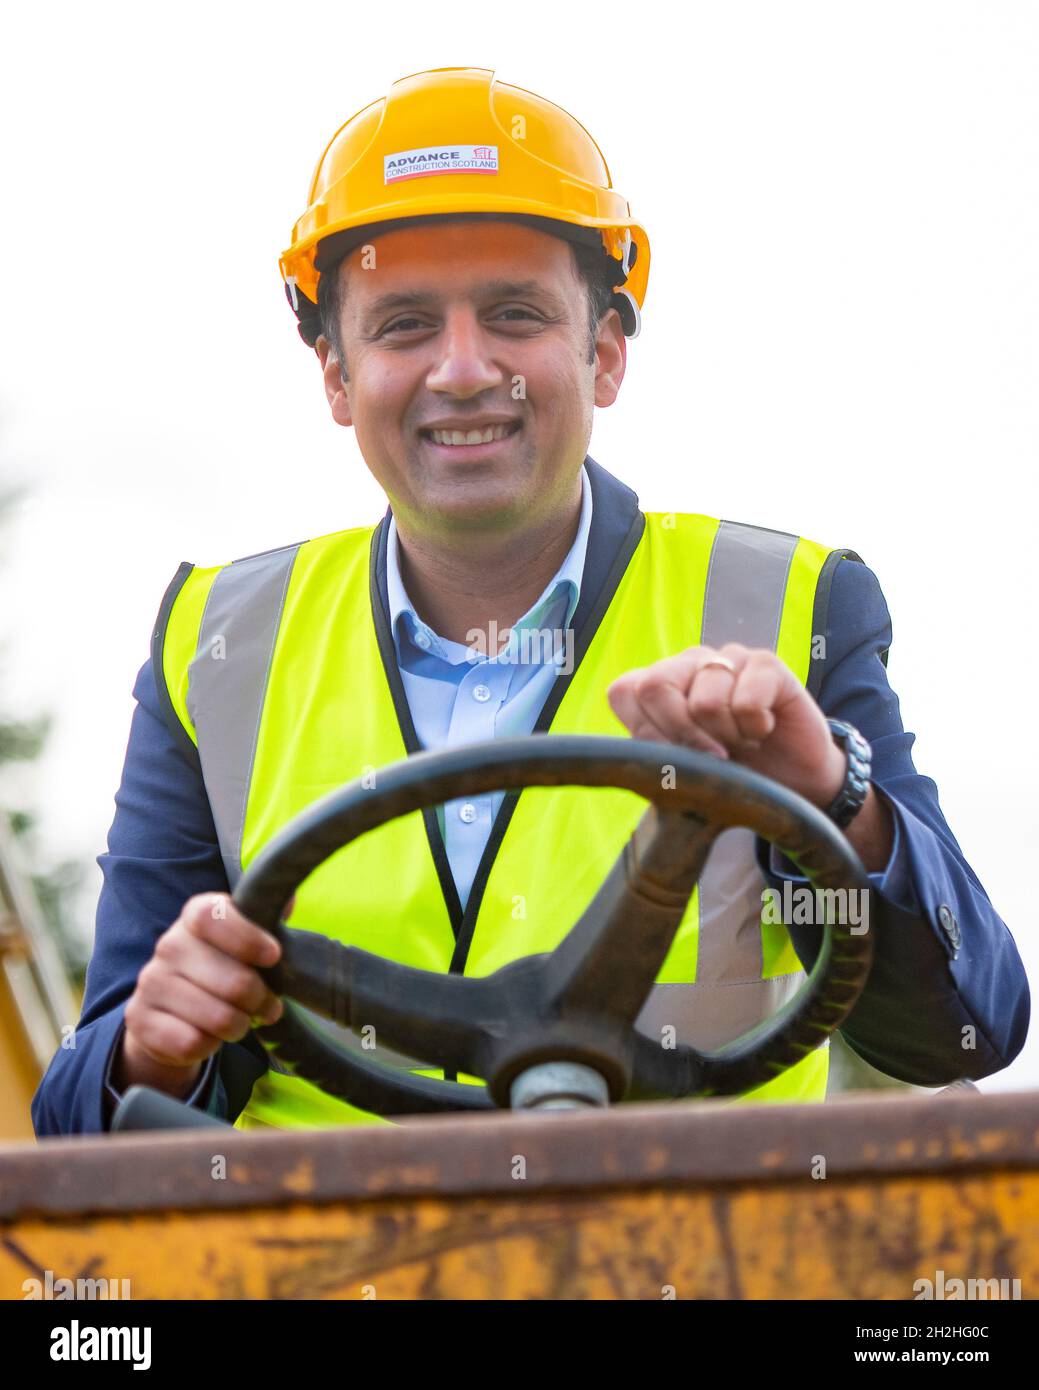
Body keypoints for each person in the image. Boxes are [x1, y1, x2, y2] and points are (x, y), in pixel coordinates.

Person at [33, 67, 1028, 1136]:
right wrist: (156, 1045)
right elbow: (82, 1125)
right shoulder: (217, 649)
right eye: (404, 325)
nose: (463, 370)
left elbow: (961, 1034)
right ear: (335, 373)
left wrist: (829, 794)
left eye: (513, 314)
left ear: (602, 354)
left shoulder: (784, 610)